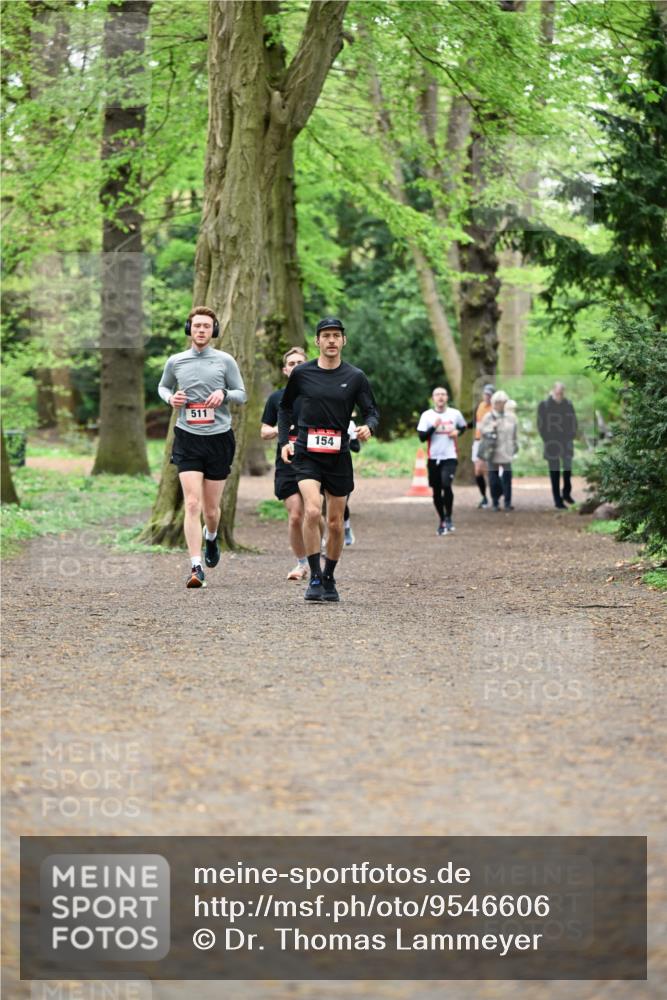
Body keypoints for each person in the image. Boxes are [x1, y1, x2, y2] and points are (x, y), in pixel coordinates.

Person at [278, 316, 379, 603]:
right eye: (326, 336)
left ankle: (330, 576)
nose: (332, 340)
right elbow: (285, 409)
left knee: (335, 523)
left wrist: (369, 426)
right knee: (312, 511)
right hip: (308, 451)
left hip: (338, 454)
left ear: (343, 340)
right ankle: (315, 576)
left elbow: (372, 410)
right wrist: (286, 441)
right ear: (317, 341)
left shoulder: (355, 376)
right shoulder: (302, 374)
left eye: (336, 335)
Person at [158, 306, 247, 588]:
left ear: (214, 331)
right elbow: (162, 387)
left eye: (206, 326)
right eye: (196, 325)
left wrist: (224, 393)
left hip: (219, 438)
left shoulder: (225, 361)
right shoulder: (176, 361)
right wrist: (170, 398)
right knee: (192, 504)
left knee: (211, 510)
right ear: (189, 329)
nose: (201, 330)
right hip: (187, 437)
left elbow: (242, 394)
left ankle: (212, 537)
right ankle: (196, 567)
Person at [260, 346, 309, 581]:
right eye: (292, 364)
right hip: (286, 463)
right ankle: (301, 563)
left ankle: (317, 553)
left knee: (314, 513)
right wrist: (281, 431)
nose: (296, 367)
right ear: (285, 370)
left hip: (314, 461)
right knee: (296, 515)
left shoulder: (317, 396)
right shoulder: (276, 398)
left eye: (301, 362)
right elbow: (263, 431)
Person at [416, 387, 467, 535]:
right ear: (433, 398)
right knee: (437, 491)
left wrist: (458, 431)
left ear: (447, 398)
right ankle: (442, 519)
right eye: (437, 395)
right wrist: (434, 426)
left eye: (443, 394)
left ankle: (449, 517)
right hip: (433, 458)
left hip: (450, 456)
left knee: (446, 484)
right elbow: (421, 437)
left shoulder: (455, 414)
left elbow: (463, 427)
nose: (440, 397)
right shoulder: (427, 416)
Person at [537, 382, 578, 509]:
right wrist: (547, 439)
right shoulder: (544, 405)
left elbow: (574, 422)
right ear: (553, 391)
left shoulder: (568, 404)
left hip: (566, 442)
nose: (559, 395)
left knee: (567, 468)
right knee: (554, 472)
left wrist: (571, 436)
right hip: (551, 443)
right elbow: (541, 425)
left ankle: (566, 492)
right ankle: (557, 500)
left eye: (561, 393)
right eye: (557, 393)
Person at [479, 390, 518, 511]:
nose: (501, 405)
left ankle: (507, 502)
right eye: (498, 402)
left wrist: (515, 446)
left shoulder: (511, 417)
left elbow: (514, 434)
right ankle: (495, 501)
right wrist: (492, 427)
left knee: (507, 476)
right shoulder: (488, 416)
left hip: (506, 449)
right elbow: (482, 431)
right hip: (493, 450)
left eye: (503, 402)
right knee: (493, 477)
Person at [472, 383, 494, 508]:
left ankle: (494, 496)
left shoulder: (494, 408)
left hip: (489, 441)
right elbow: (477, 423)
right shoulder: (480, 406)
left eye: (489, 395)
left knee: (488, 469)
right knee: (478, 471)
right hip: (478, 440)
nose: (487, 397)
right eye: (485, 394)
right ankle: (484, 497)